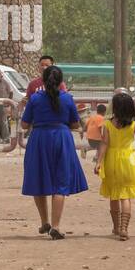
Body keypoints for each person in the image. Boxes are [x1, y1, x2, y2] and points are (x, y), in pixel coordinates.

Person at [20, 65, 88, 240]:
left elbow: (24, 125)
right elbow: (75, 124)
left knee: (39, 178)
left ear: (43, 80)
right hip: (62, 139)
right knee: (61, 182)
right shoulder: (67, 98)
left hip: (39, 140)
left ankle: (45, 222)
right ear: (61, 81)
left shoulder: (35, 99)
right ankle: (56, 226)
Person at [94, 90, 135, 241]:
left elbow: (104, 144)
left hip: (111, 161)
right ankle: (125, 228)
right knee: (125, 197)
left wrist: (99, 162)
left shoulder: (107, 125)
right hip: (130, 161)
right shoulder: (134, 126)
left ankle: (116, 227)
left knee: (114, 195)